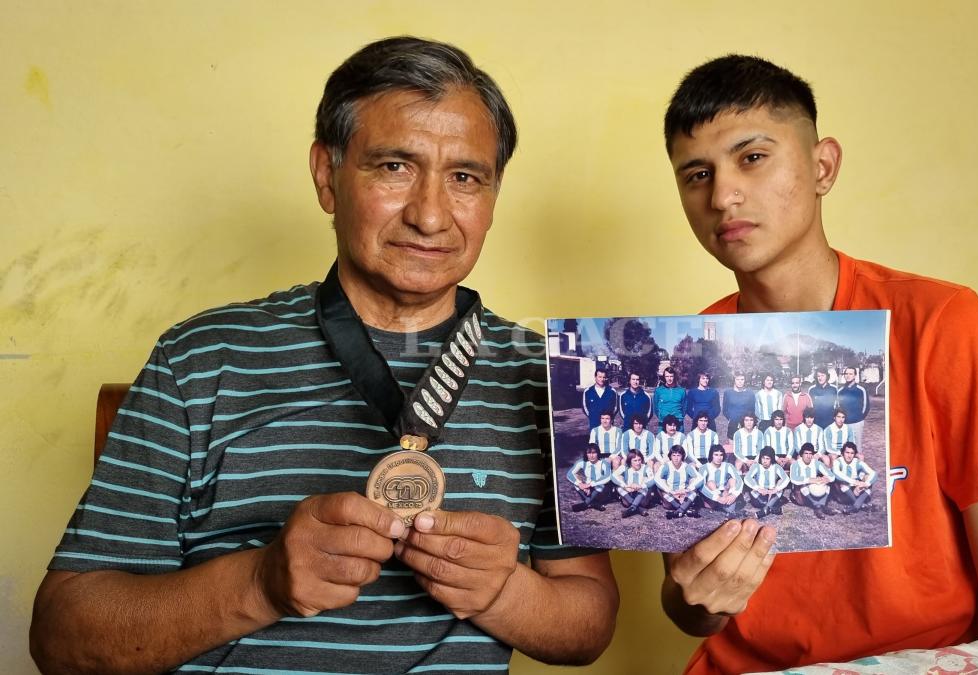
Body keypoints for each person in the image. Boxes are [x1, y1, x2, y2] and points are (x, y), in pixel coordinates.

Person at [30, 37, 617, 674]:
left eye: (465, 178)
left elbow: (587, 627)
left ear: (494, 196)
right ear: (325, 174)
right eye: (394, 167)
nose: (429, 214)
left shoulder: (551, 378)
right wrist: (260, 583)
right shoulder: (200, 358)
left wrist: (506, 592)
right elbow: (62, 639)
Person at [658, 54, 978, 672]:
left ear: (823, 167)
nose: (724, 195)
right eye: (696, 174)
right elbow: (688, 607)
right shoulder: (688, 359)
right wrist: (697, 601)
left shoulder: (941, 322)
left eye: (753, 157)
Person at [656, 445, 704, 520]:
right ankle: (686, 510)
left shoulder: (686, 466)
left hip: (683, 495)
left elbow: (700, 478)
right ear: (670, 456)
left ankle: (679, 511)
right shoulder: (666, 466)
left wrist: (687, 490)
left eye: (678, 455)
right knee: (661, 486)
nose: (676, 458)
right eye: (674, 455)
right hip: (670, 495)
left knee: (694, 486)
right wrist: (671, 492)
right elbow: (657, 479)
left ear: (682, 456)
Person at [789, 443, 835, 519]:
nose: (808, 456)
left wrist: (826, 479)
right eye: (806, 453)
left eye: (810, 454)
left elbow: (832, 476)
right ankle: (817, 507)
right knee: (803, 487)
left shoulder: (817, 463)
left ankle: (822, 505)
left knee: (828, 485)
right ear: (801, 454)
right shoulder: (795, 464)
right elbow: (793, 479)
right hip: (801, 492)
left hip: (814, 489)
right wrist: (810, 480)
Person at [830, 442, 876, 514]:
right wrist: (853, 482)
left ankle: (855, 506)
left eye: (852, 453)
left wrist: (865, 484)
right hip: (843, 494)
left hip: (856, 489)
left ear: (854, 454)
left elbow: (873, 473)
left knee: (868, 478)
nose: (849, 455)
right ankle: (859, 505)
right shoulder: (838, 461)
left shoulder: (857, 462)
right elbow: (836, 473)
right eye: (847, 452)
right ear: (842, 453)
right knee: (842, 482)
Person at [744, 449, 790, 518]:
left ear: (771, 459)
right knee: (759, 502)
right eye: (763, 458)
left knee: (780, 484)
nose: (764, 461)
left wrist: (776, 489)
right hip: (760, 492)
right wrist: (758, 489)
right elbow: (747, 478)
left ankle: (765, 510)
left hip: (772, 492)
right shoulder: (756, 466)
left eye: (767, 459)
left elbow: (786, 478)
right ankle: (774, 508)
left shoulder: (776, 467)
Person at [569, 443, 614, 512]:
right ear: (586, 454)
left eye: (594, 453)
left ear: (598, 453)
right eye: (589, 453)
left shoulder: (604, 462)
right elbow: (569, 474)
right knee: (576, 482)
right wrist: (581, 484)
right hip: (588, 491)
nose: (591, 455)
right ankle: (593, 503)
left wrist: (590, 485)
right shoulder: (582, 462)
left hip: (602, 492)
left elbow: (608, 477)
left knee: (600, 484)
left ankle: (585, 504)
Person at [699, 447, 743, 516]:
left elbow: (739, 481)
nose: (719, 458)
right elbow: (701, 486)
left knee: (732, 480)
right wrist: (717, 498)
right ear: (711, 455)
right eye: (716, 455)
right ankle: (720, 504)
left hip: (725, 492)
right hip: (712, 493)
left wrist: (734, 495)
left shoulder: (728, 466)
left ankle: (726, 502)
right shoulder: (704, 467)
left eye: (721, 455)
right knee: (710, 483)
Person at [613, 449, 657, 518]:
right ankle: (637, 508)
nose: (638, 463)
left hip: (641, 497)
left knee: (646, 484)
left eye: (639, 460)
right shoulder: (625, 467)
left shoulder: (645, 467)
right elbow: (613, 476)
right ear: (630, 461)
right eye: (635, 460)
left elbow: (653, 479)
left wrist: (640, 486)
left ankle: (632, 507)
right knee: (618, 486)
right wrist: (625, 486)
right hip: (629, 495)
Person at [838, 366, 870, 443]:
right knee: (845, 448)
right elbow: (838, 407)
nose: (848, 375)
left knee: (857, 448)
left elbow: (866, 406)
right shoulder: (840, 391)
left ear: (855, 375)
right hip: (844, 424)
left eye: (850, 374)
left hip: (857, 423)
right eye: (846, 373)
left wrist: (859, 418)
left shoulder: (861, 390)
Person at [721, 372, 756, 440]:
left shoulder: (750, 393)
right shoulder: (728, 393)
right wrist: (731, 418)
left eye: (742, 379)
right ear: (734, 380)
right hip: (733, 424)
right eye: (738, 379)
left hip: (746, 424)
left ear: (745, 380)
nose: (740, 382)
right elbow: (725, 410)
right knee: (732, 447)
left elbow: (752, 410)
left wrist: (749, 422)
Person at [654, 366, 688, 431]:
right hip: (663, 423)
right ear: (664, 377)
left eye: (671, 376)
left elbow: (684, 407)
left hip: (678, 424)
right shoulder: (658, 390)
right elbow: (656, 408)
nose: (669, 378)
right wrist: (662, 416)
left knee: (679, 441)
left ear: (674, 377)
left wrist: (678, 417)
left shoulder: (681, 391)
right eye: (667, 376)